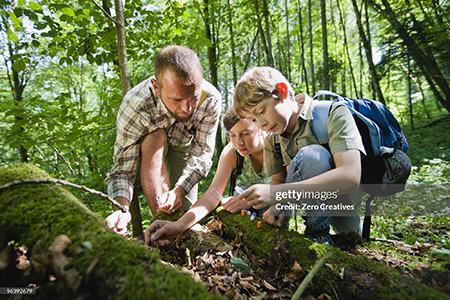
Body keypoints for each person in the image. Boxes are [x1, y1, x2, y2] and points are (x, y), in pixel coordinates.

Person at [233, 66, 365, 243]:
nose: (262, 124)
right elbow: (278, 181)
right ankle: (317, 237)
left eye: (261, 111)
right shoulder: (273, 140)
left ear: (282, 91)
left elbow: (351, 176)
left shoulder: (333, 113)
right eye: (254, 120)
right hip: (312, 214)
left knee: (312, 157)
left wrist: (278, 194)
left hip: (343, 201)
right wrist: (277, 206)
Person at [105, 45, 222, 235]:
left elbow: (202, 153)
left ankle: (182, 241)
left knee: (185, 215)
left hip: (183, 146)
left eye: (193, 97)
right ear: (156, 88)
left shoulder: (211, 99)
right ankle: (160, 222)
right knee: (155, 137)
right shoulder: (135, 106)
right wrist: (121, 208)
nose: (188, 108)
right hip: (149, 150)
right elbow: (123, 170)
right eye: (177, 99)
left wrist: (181, 190)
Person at [146, 109, 279, 246]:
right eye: (232, 135)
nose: (239, 142)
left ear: (261, 127)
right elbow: (213, 194)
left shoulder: (276, 146)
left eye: (245, 134)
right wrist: (179, 225)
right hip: (245, 210)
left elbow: (284, 187)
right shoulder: (232, 152)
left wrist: (250, 201)